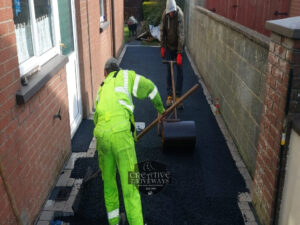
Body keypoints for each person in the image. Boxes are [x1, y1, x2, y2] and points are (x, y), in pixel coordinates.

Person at [93, 57, 165, 225]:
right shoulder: (126, 76)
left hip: (102, 137)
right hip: (121, 136)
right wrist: (160, 109)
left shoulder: (101, 89)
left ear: (105, 73)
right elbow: (150, 88)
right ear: (118, 68)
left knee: (109, 184)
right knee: (130, 187)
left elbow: (96, 118)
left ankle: (114, 222)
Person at [160, 0, 184, 107]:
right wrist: (162, 46)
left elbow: (181, 34)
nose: (172, 14)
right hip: (169, 46)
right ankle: (170, 96)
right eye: (170, 12)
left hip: (178, 46)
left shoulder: (180, 15)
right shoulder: (165, 15)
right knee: (169, 71)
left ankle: (178, 96)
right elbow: (162, 31)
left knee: (180, 71)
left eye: (173, 12)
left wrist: (179, 53)